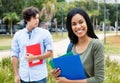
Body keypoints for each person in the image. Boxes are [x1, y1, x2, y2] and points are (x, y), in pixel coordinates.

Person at [50, 8, 104, 83]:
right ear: (70, 27)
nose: (78, 27)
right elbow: (68, 75)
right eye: (74, 24)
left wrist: (68, 82)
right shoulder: (71, 46)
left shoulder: (96, 45)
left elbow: (98, 80)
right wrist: (56, 75)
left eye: (81, 22)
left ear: (87, 22)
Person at [11, 6, 53, 83]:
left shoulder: (45, 34)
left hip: (39, 77)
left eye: (38, 18)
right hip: (24, 77)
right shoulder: (18, 35)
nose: (37, 20)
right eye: (34, 18)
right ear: (27, 19)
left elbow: (50, 53)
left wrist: (34, 57)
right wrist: (16, 75)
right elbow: (14, 55)